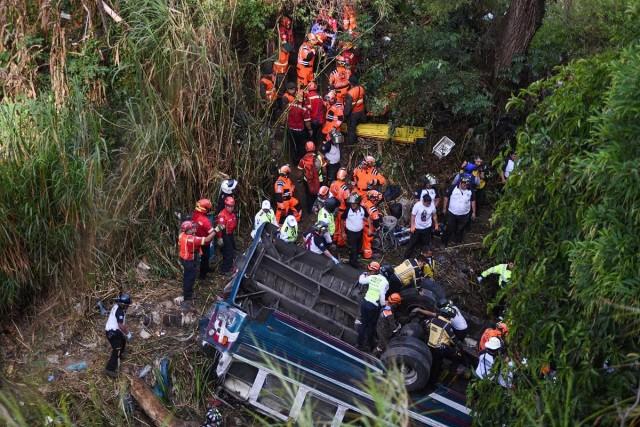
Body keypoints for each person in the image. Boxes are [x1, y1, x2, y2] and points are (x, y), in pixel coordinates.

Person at [178, 220, 215, 303]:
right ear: (188, 230)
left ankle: (188, 292)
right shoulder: (191, 239)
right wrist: (215, 230)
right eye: (192, 228)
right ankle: (187, 296)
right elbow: (207, 239)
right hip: (189, 260)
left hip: (183, 257)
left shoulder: (182, 235)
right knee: (190, 277)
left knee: (187, 276)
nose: (193, 229)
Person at [425, 305, 461, 383]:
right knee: (457, 355)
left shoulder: (432, 320)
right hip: (440, 349)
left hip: (430, 345)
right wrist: (459, 346)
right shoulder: (447, 326)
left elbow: (427, 327)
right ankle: (435, 380)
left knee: (434, 362)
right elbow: (454, 340)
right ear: (448, 317)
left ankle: (430, 377)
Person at [357, 261, 388, 351]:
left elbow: (361, 280)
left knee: (363, 324)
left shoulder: (371, 277)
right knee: (371, 326)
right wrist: (383, 306)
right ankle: (370, 345)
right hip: (373, 306)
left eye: (370, 270)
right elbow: (382, 296)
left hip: (365, 303)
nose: (369, 272)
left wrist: (364, 274)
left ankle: (359, 344)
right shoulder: (385, 282)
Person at [442, 176, 476, 246]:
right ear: (460, 182)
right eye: (464, 184)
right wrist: (444, 208)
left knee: (460, 228)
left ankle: (457, 242)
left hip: (464, 214)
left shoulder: (470, 190)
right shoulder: (453, 188)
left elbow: (473, 201)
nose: (466, 185)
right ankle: (445, 242)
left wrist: (474, 212)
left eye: (467, 184)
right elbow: (446, 197)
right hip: (452, 213)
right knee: (450, 227)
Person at [104, 294, 132, 378]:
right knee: (117, 349)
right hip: (112, 332)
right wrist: (128, 333)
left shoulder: (117, 306)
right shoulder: (120, 311)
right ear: (123, 305)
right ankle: (109, 369)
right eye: (127, 305)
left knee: (123, 341)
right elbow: (120, 325)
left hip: (114, 330)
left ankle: (120, 355)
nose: (128, 307)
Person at [405, 194, 439, 258]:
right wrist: (412, 226)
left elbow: (434, 215)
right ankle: (406, 257)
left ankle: (424, 256)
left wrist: (436, 224)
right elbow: (413, 216)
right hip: (417, 228)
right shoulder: (417, 205)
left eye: (429, 203)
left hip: (427, 228)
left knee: (426, 244)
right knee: (412, 243)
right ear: (423, 201)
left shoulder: (432, 206)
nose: (428, 205)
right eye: (427, 203)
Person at [341, 194, 369, 268]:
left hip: (360, 232)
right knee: (353, 248)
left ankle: (353, 258)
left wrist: (370, 228)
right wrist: (343, 232)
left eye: (354, 204)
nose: (352, 205)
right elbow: (342, 219)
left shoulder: (363, 209)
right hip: (350, 233)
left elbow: (368, 217)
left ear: (358, 203)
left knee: (359, 247)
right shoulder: (348, 210)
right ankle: (354, 263)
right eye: (351, 203)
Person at [286, 90, 312, 162]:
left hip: (290, 129)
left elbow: (286, 116)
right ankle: (300, 160)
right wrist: (310, 130)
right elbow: (307, 123)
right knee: (300, 145)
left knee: (293, 145)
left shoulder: (289, 105)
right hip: (299, 130)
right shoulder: (304, 109)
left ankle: (293, 159)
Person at [297, 141, 323, 214]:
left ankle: (310, 210)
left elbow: (299, 173)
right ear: (314, 148)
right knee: (319, 194)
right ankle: (318, 210)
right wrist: (325, 177)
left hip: (307, 181)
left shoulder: (302, 160)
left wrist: (299, 180)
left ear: (306, 149)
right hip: (319, 180)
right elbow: (324, 170)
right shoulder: (319, 157)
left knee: (309, 196)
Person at [192, 198, 215, 280]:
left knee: (200, 258)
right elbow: (212, 232)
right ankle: (203, 275)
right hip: (205, 241)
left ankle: (205, 268)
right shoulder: (205, 221)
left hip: (196, 239)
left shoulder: (195, 215)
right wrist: (217, 229)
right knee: (205, 257)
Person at [215, 196, 238, 275]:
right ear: (225, 206)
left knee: (232, 250)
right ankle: (225, 270)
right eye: (229, 206)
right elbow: (219, 228)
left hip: (230, 234)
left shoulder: (232, 214)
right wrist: (220, 238)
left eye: (232, 206)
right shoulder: (222, 215)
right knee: (228, 252)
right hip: (225, 234)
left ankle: (230, 265)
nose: (231, 208)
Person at [330, 168, 351, 247]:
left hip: (335, 208)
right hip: (342, 209)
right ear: (345, 177)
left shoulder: (333, 184)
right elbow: (347, 201)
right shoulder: (344, 188)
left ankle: (334, 239)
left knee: (336, 224)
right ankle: (340, 242)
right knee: (341, 226)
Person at [343, 75, 365, 145]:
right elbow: (364, 100)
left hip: (354, 114)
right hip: (361, 112)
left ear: (351, 83)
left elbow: (348, 108)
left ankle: (351, 143)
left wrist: (345, 116)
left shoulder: (350, 93)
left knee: (351, 130)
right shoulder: (361, 88)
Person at [274, 16, 294, 90]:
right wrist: (288, 49)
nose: (289, 25)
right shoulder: (282, 30)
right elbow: (284, 42)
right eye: (288, 24)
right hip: (280, 72)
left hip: (289, 49)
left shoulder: (288, 30)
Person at [360, 190, 382, 259]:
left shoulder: (364, 203)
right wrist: (378, 228)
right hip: (368, 226)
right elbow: (375, 220)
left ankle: (361, 250)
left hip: (361, 223)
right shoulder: (373, 209)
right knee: (367, 240)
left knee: (362, 239)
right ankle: (368, 255)